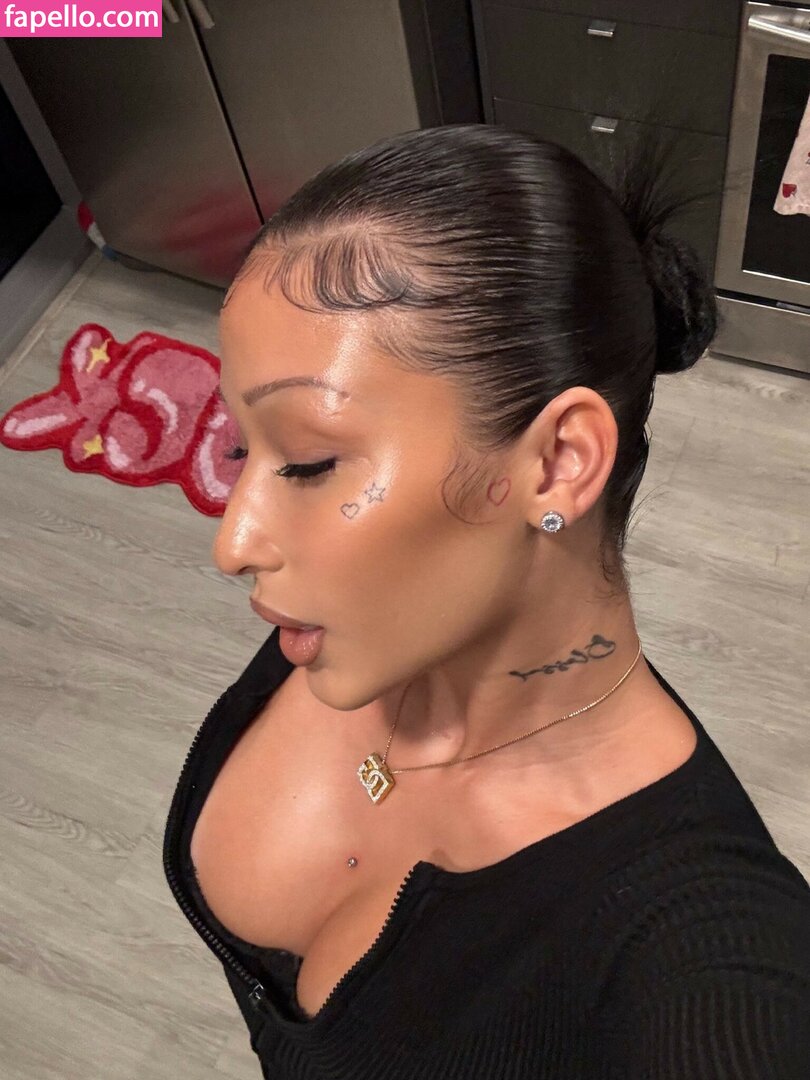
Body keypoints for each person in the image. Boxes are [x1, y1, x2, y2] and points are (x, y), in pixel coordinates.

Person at [163, 124, 810, 1078]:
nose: (233, 543)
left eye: (307, 461)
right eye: (238, 449)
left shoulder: (705, 961)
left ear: (559, 462)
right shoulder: (361, 624)